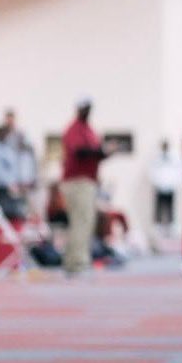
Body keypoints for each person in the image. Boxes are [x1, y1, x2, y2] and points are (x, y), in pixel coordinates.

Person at [60, 96, 117, 275]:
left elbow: (95, 153)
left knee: (83, 221)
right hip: (77, 181)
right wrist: (100, 151)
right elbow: (80, 152)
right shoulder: (74, 129)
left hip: (88, 181)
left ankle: (72, 261)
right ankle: (78, 262)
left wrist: (105, 152)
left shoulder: (89, 130)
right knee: (82, 222)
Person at [150, 140, 182, 239]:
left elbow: (179, 170)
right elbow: (151, 170)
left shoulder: (174, 157)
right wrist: (156, 182)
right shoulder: (156, 157)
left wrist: (174, 183)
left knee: (170, 209)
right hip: (159, 186)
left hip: (170, 186)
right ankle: (158, 230)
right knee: (159, 209)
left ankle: (171, 229)